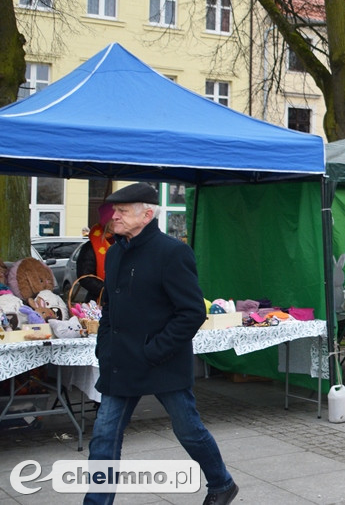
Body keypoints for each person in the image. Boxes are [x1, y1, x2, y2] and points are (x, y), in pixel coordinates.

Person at [86, 183, 238, 505]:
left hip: (162, 361)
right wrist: (105, 347)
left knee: (188, 431)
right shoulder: (113, 254)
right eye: (115, 211)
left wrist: (153, 350)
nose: (115, 216)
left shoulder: (172, 252)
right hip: (122, 363)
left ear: (147, 214)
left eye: (123, 211)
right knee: (103, 435)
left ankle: (221, 484)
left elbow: (192, 312)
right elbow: (109, 308)